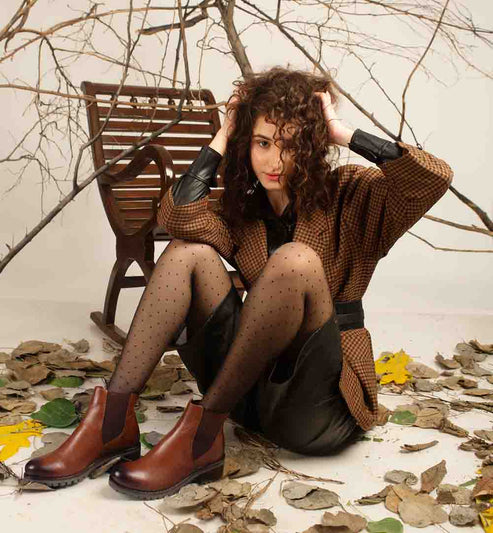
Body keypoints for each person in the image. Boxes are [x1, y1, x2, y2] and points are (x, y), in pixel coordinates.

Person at [23, 66, 454, 500]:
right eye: (263, 143)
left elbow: (434, 179)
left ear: (313, 145)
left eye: (291, 145)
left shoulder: (354, 193)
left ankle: (201, 438)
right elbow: (175, 217)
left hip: (318, 408)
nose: (275, 161)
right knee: (188, 252)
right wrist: (224, 134)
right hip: (250, 395)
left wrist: (343, 134)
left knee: (296, 260)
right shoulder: (244, 212)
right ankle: (113, 422)